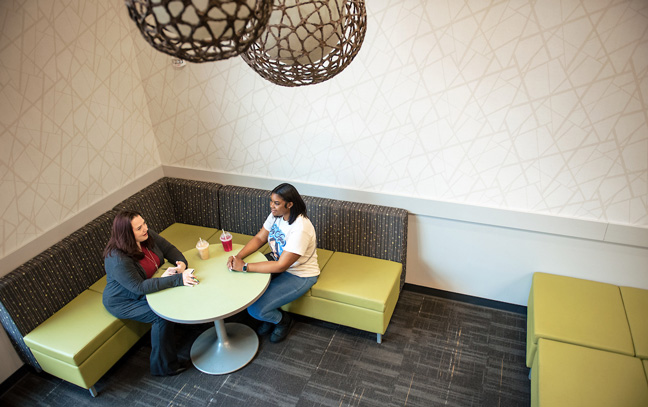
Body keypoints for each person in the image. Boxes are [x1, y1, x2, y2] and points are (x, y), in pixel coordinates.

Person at [102, 210, 198, 376]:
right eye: (139, 228)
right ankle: (163, 366)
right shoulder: (117, 259)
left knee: (183, 291)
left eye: (144, 223)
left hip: (144, 286)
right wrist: (178, 279)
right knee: (161, 315)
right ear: (127, 234)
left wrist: (181, 263)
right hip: (125, 300)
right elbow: (139, 287)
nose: (145, 228)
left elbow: (168, 248)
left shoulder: (146, 236)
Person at [227, 183, 319, 343]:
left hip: (299, 274)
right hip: (276, 261)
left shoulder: (300, 228)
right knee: (243, 287)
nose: (272, 206)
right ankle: (268, 317)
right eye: (271, 201)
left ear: (289, 204)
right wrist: (238, 257)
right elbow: (260, 238)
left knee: (255, 309)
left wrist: (244, 266)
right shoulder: (276, 215)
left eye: (276, 203)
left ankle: (283, 321)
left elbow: (281, 266)